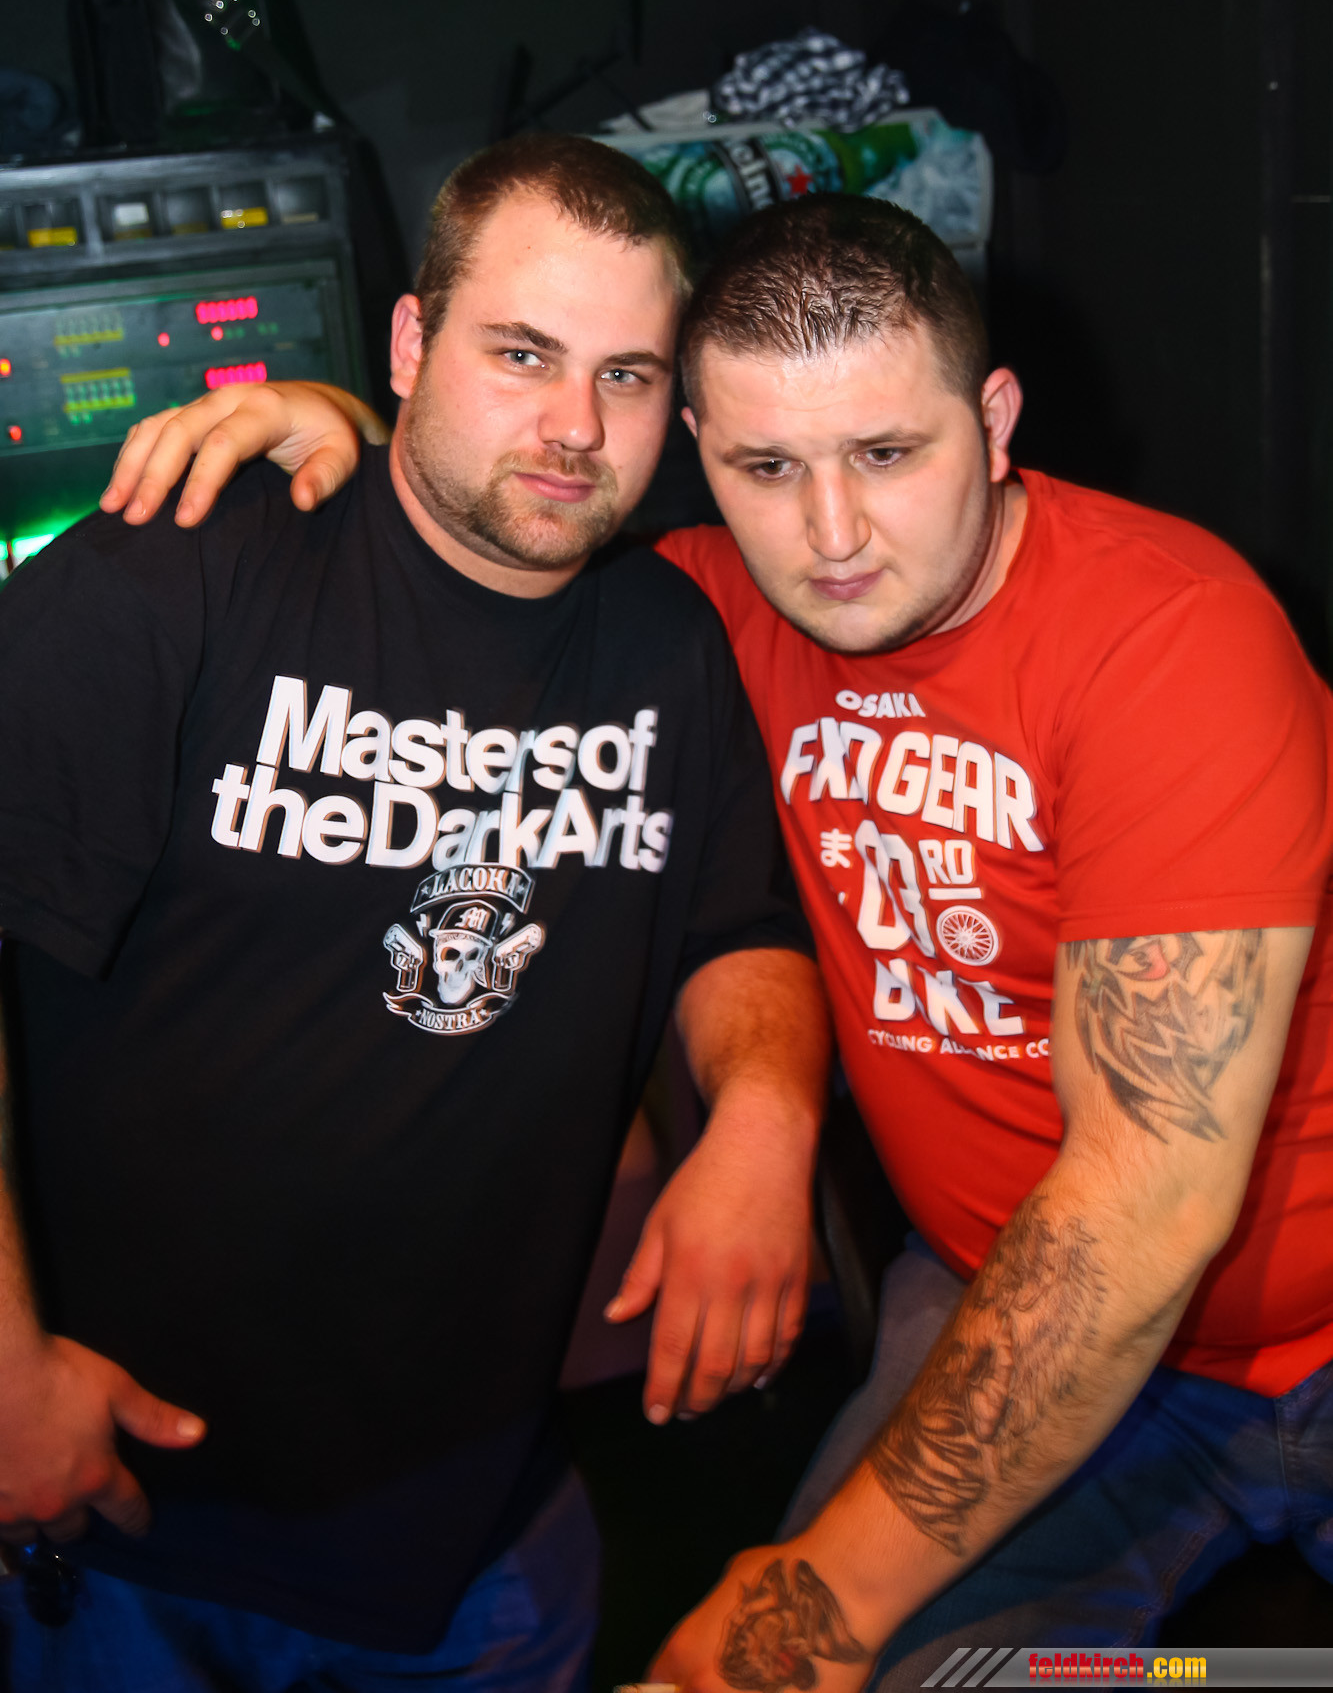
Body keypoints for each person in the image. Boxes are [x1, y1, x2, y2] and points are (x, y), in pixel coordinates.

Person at [123, 188, 1333, 1687]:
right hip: (1003, 1286)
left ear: (993, 421)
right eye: (767, 467)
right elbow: (476, 538)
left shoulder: (1171, 635)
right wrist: (350, 439)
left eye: (886, 454)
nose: (831, 535)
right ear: (697, 450)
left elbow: (1143, 1197)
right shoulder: (697, 616)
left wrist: (822, 1596)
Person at [0, 134, 833, 1693]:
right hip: (127, 1513)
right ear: (407, 343)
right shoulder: (181, 567)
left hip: (475, 1530)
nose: (573, 427)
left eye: (627, 376)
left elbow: (734, 922)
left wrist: (766, 1122)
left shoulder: (665, 642)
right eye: (520, 354)